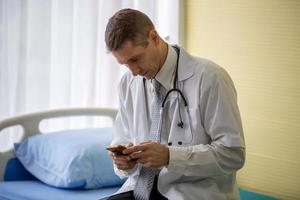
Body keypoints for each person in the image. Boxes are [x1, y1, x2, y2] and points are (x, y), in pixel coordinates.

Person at [101, 8, 245, 200]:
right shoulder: (129, 83)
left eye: (135, 59)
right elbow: (122, 139)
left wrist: (171, 157)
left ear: (154, 38)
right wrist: (123, 162)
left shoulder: (210, 78)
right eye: (125, 64)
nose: (133, 71)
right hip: (138, 190)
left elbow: (233, 154)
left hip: (192, 193)